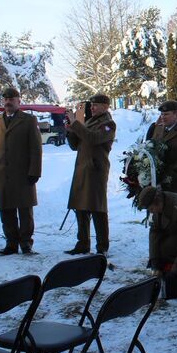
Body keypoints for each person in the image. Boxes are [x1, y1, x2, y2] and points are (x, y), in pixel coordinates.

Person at [0, 87, 42, 255]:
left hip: (23, 173)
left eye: (12, 99)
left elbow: (36, 149)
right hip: (2, 173)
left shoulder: (29, 120)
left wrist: (35, 171)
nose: (8, 102)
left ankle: (25, 242)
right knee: (6, 210)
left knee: (25, 211)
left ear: (18, 101)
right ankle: (11, 243)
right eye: (6, 99)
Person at [64, 94, 116, 256]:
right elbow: (76, 145)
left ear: (106, 106)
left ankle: (102, 245)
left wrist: (77, 124)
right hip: (82, 169)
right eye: (91, 105)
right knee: (80, 207)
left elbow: (93, 139)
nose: (92, 108)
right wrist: (71, 131)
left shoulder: (108, 124)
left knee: (97, 208)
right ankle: (83, 243)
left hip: (95, 169)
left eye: (96, 105)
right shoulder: (88, 122)